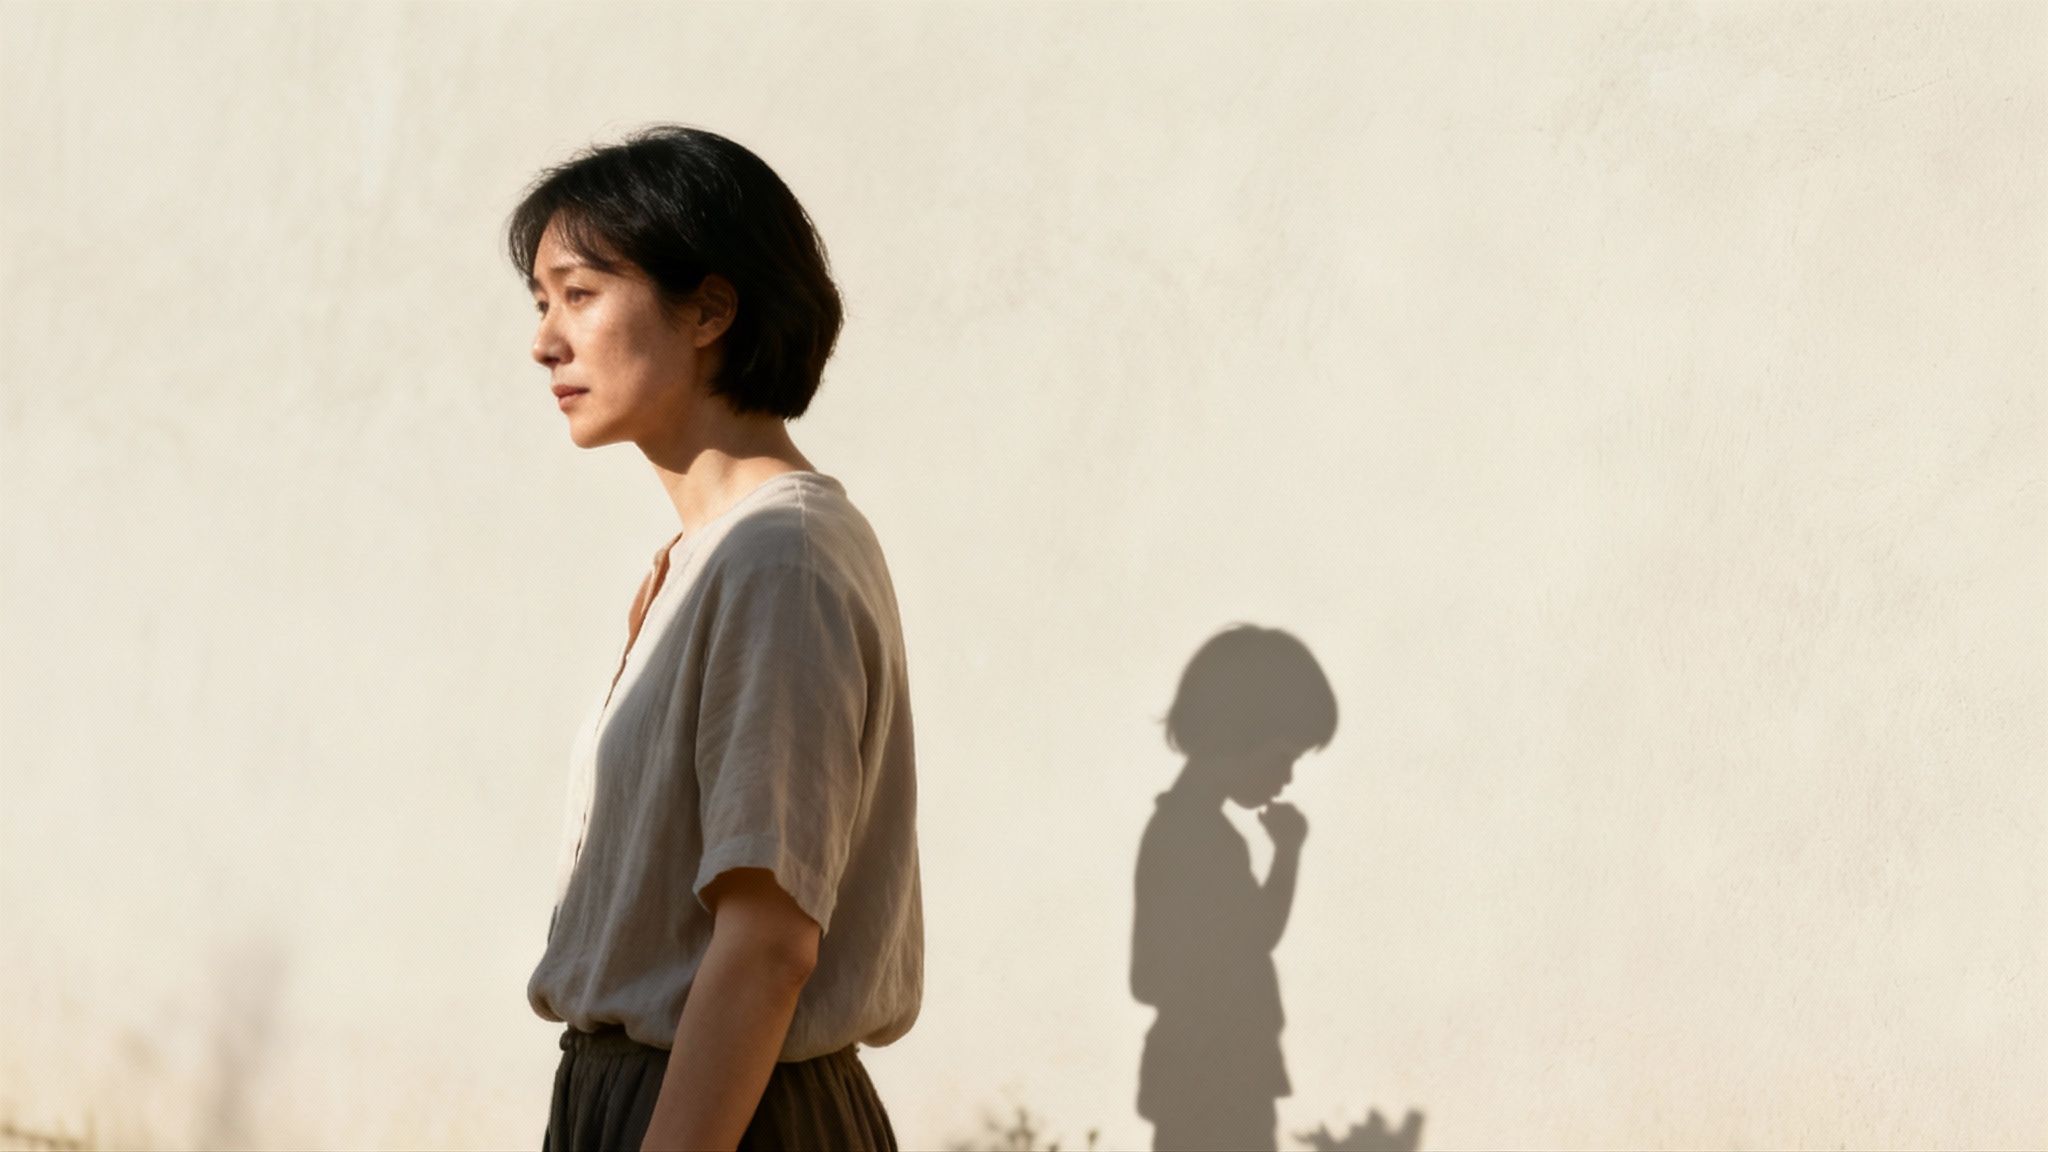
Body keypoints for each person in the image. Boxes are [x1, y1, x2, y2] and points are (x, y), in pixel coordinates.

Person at [509, 124, 922, 1152]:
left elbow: (767, 941)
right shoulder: (705, 558)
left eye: (579, 293)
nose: (544, 340)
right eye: (539, 301)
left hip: (728, 1116)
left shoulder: (777, 557)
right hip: (648, 1099)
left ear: (709, 308)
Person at [1131, 625, 1336, 1151]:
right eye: (1283, 756)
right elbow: (1256, 935)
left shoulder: (1180, 829)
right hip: (1220, 1084)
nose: (1286, 777)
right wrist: (1288, 852)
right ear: (1235, 735)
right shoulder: (1202, 840)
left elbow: (1149, 976)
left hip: (1194, 1078)